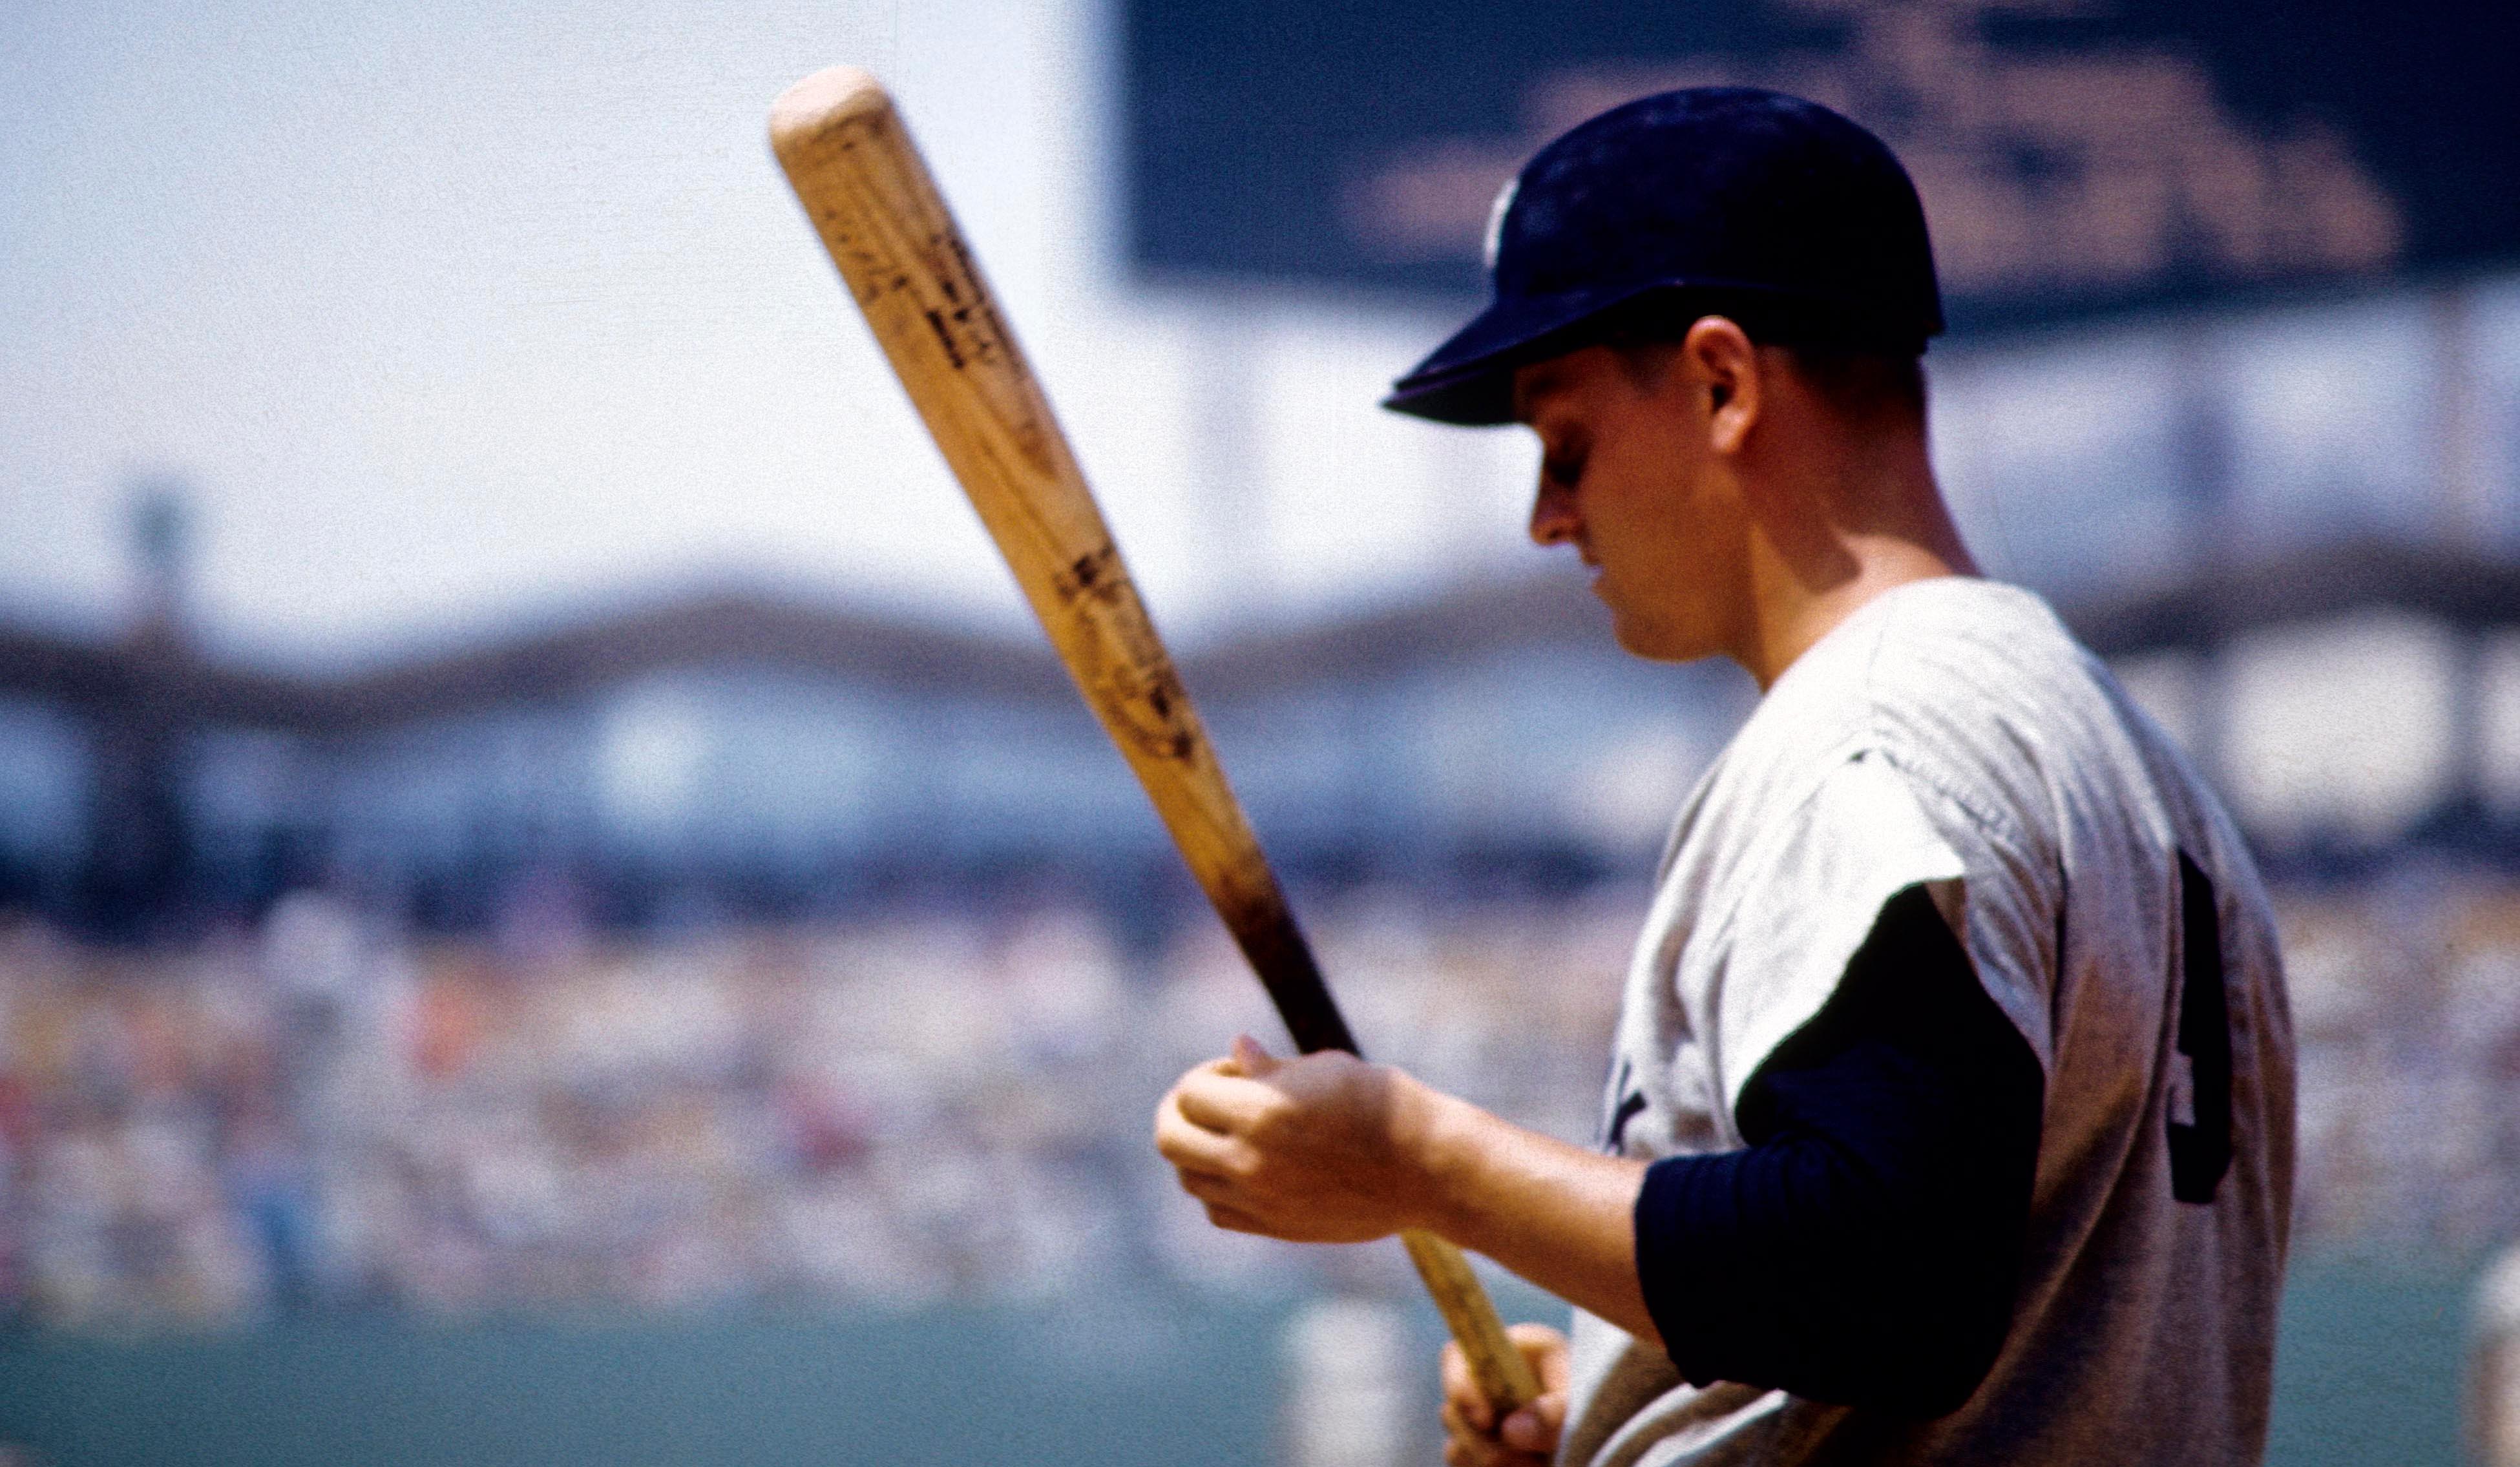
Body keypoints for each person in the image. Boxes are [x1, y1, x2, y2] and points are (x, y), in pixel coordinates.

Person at [1153, 87, 2295, 1466]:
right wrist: (1629, 1402)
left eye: (1562, 440)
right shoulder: (2129, 755)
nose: (1544, 515)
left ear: (1720, 383)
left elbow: (1887, 1280)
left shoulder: (1874, 730)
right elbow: (1944, 1300)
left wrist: (1420, 1159)